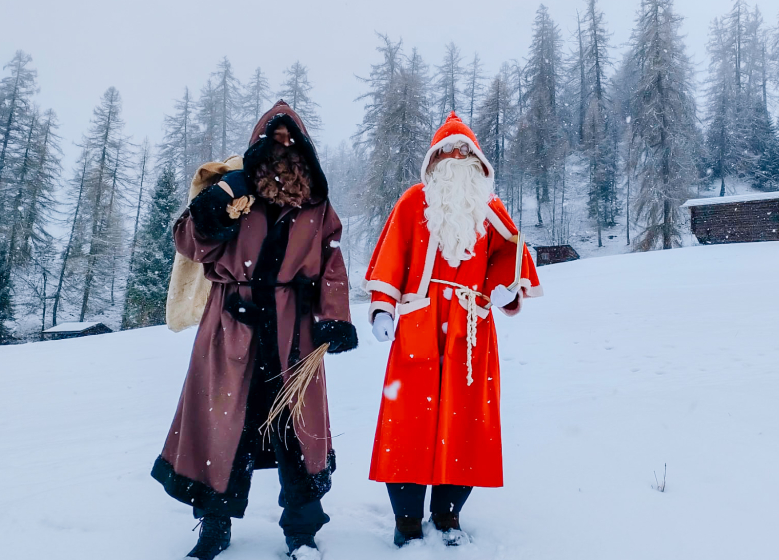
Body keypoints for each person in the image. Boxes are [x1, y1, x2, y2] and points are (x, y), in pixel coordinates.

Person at [152, 100, 357, 560]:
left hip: (294, 331)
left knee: (296, 429)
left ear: (303, 146)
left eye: (291, 138)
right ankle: (214, 528)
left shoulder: (316, 201)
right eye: (274, 138)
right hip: (231, 325)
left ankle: (301, 531)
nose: (282, 146)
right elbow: (188, 242)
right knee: (222, 426)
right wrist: (215, 206)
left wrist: (335, 317)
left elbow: (331, 260)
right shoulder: (231, 189)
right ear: (257, 144)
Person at [364, 112, 543, 546]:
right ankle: (407, 519)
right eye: (447, 151)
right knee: (410, 424)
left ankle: (447, 515)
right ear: (433, 160)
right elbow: (390, 256)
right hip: (419, 326)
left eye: (465, 151)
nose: (456, 157)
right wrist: (383, 308)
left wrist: (505, 287)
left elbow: (512, 251)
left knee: (464, 424)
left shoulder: (490, 208)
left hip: (471, 331)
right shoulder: (412, 202)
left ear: (478, 161)